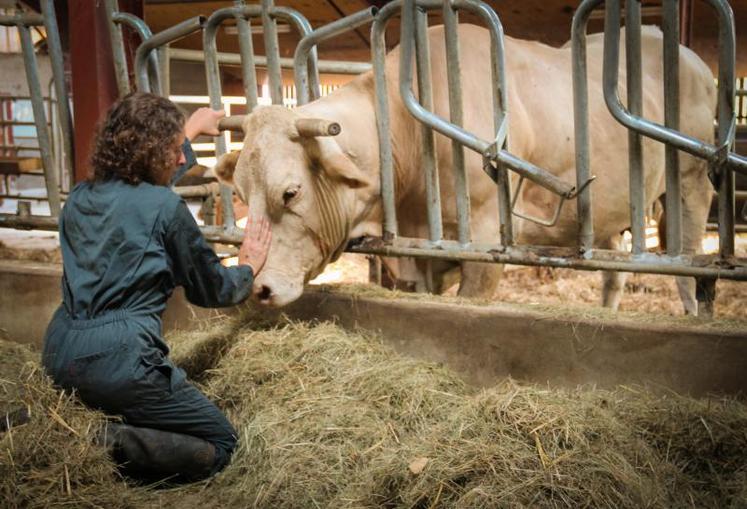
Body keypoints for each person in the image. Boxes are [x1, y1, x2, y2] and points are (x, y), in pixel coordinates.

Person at [41, 92, 270, 483]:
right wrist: (247, 265)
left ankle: (53, 424)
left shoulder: (78, 198)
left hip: (60, 353)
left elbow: (140, 198)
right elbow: (212, 290)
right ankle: (101, 440)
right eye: (172, 150)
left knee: (116, 401)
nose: (182, 158)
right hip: (121, 363)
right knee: (222, 443)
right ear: (148, 153)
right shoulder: (165, 209)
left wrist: (191, 128)